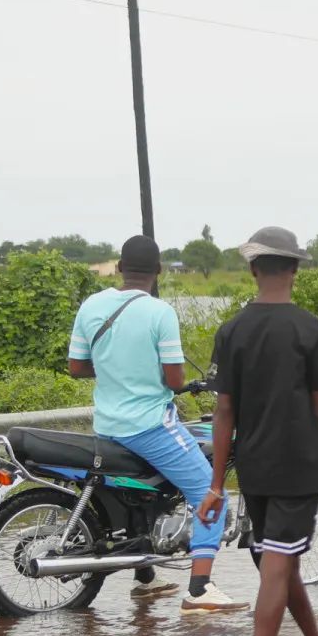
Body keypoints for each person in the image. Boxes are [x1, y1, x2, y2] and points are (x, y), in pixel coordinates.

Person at [196, 228, 318, 636]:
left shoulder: (230, 331)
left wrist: (215, 485)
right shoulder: (311, 330)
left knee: (280, 561)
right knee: (275, 569)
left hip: (254, 469)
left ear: (253, 269)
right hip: (298, 467)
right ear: (294, 269)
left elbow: (223, 413)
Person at [67, 236, 243, 611]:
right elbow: (176, 381)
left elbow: (77, 368)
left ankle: (145, 578)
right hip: (149, 425)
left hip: (107, 425)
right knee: (209, 492)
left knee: (140, 494)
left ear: (119, 266)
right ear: (159, 270)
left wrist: (116, 369)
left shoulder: (92, 305)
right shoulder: (159, 312)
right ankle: (199, 589)